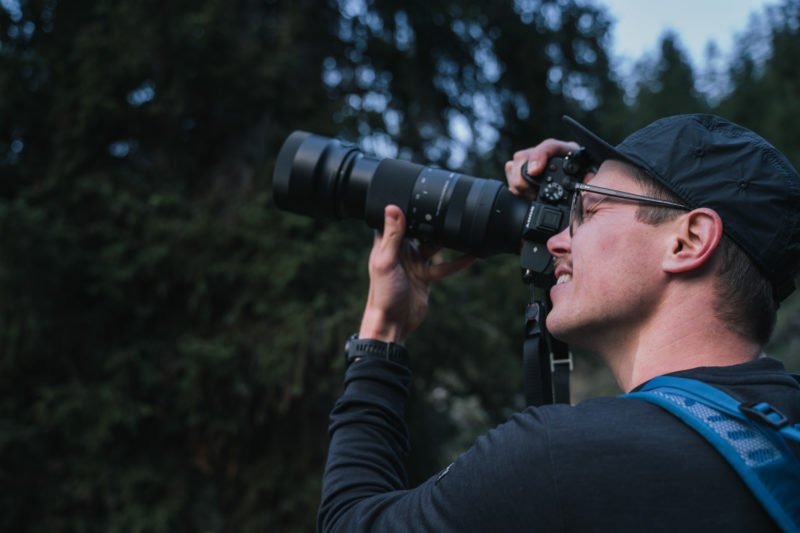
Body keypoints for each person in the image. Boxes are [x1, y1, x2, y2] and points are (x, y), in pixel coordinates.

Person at [317, 114, 800, 532]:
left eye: (586, 213)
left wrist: (381, 334)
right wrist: (595, 186)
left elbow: (350, 521)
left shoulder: (562, 459)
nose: (555, 243)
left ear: (688, 241)